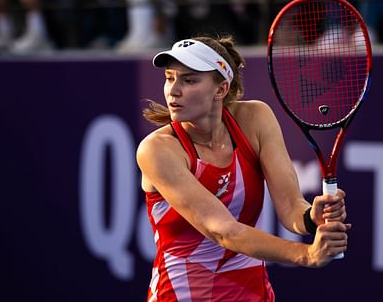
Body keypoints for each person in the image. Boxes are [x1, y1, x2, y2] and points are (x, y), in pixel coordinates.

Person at [136, 34, 351, 301]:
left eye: (189, 80)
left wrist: (310, 218)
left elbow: (291, 208)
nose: (173, 90)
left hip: (251, 293)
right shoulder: (157, 150)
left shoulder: (256, 119)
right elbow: (223, 231)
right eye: (170, 77)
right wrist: (306, 254)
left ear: (221, 89)